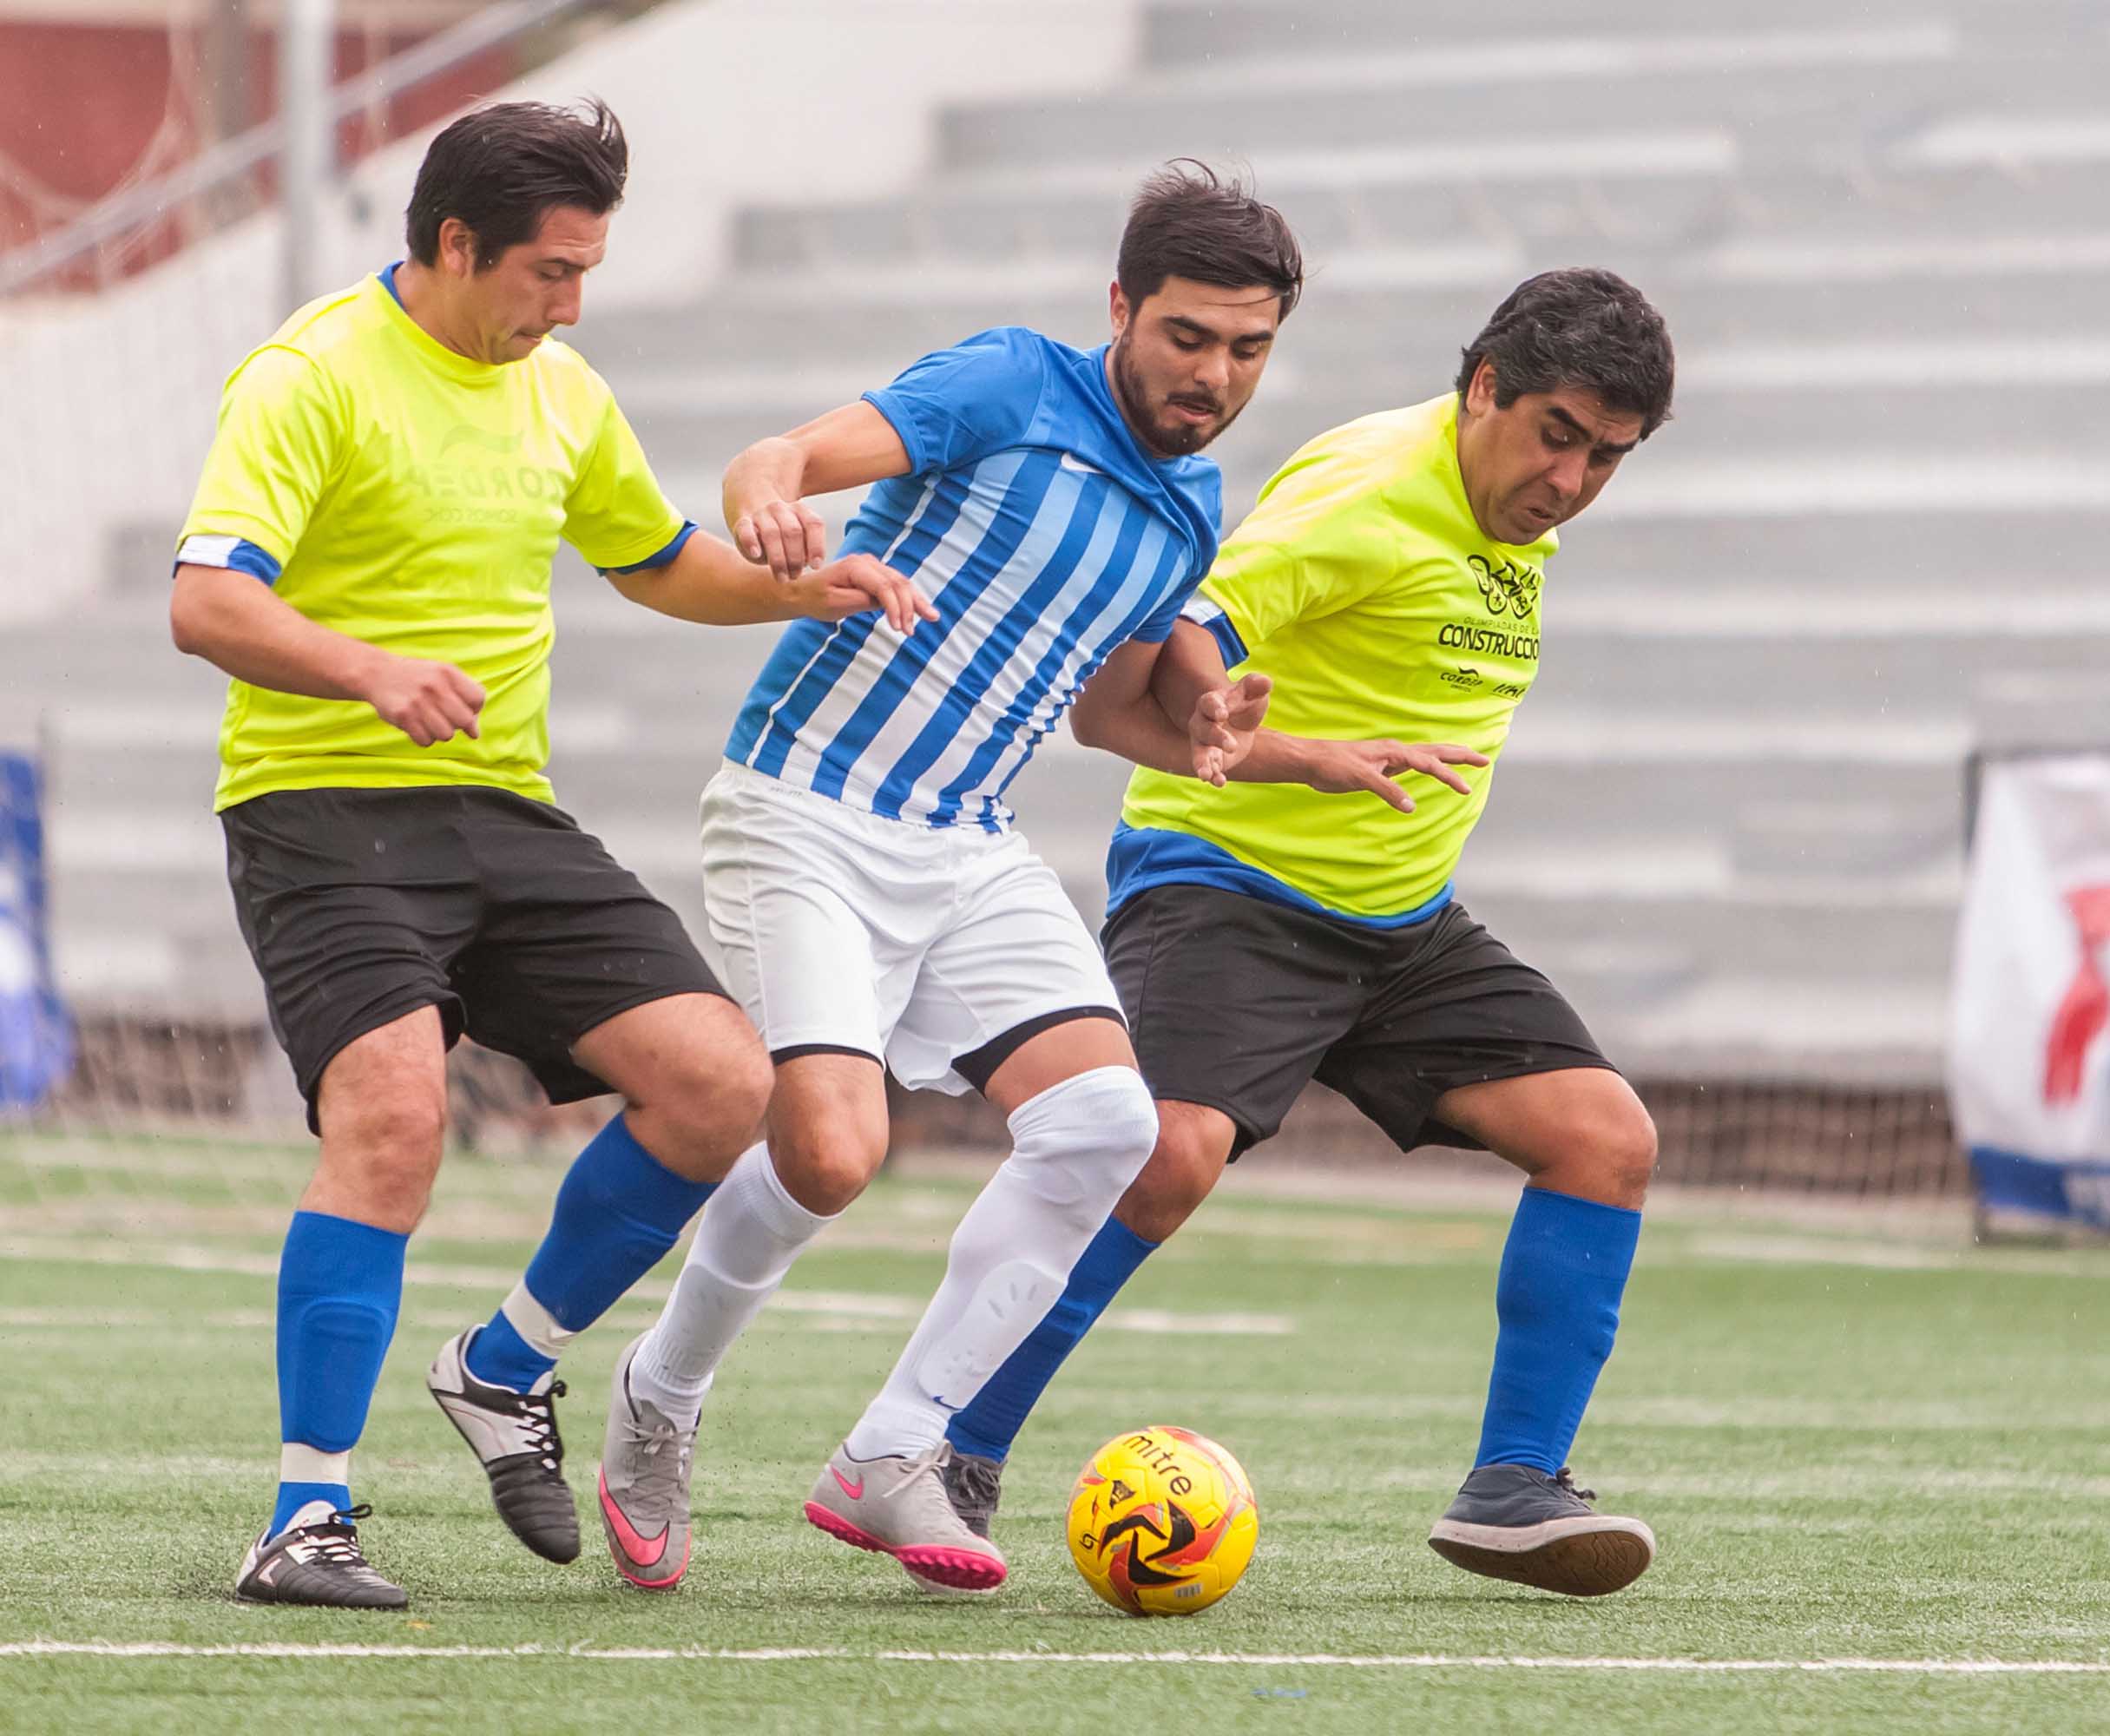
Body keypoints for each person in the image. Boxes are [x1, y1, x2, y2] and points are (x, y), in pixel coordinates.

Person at [598, 164, 1444, 1594]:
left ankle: (893, 1450)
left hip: (965, 837)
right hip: (807, 803)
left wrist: (1287, 752)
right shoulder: (1006, 381)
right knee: (830, 1153)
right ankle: (657, 1400)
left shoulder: (1192, 505)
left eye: (1248, 349)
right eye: (1187, 336)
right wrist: (773, 509)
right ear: (1120, 307)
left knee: (1109, 1127)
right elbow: (778, 459)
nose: (1214, 375)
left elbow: (1120, 715)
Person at [171, 100, 920, 1611]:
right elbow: (207, 602)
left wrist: (806, 592)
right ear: (456, 245)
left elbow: (655, 564)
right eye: (550, 272)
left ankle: (503, 1367)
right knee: (393, 1119)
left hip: (499, 814)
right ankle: (302, 1519)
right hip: (321, 814)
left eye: (585, 271)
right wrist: (370, 668)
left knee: (724, 1082)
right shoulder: (309, 376)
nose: (571, 304)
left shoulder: (563, 390)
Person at [939, 267, 1679, 1599]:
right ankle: (952, 1447)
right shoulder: (1369, 490)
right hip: (1227, 884)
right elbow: (1189, 628)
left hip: (1399, 924)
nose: (1571, 480)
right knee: (1161, 1158)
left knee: (1604, 1140)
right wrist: (1240, 720)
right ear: (1485, 389)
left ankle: (1514, 1487)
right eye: (1556, 434)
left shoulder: (1511, 510)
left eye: (1607, 458)